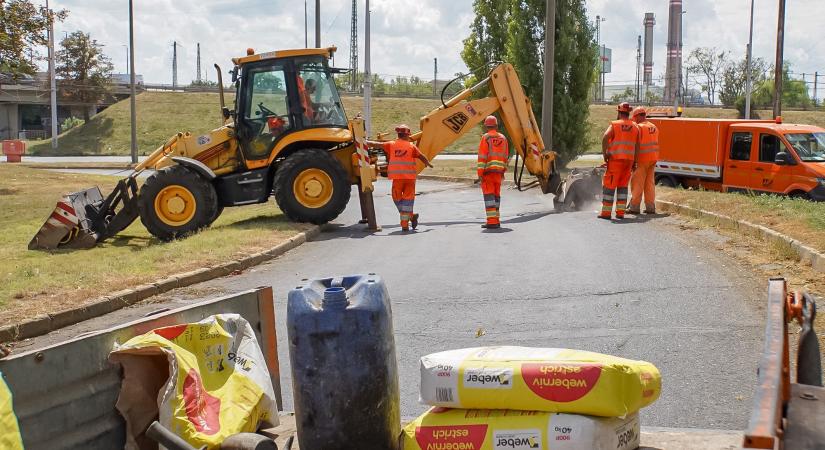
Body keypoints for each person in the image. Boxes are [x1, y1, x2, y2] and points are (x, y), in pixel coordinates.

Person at [367, 124, 433, 231]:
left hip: (399, 178)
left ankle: (405, 225)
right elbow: (421, 156)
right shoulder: (411, 146)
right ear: (407, 135)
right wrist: (427, 163)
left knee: (397, 198)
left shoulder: (392, 144)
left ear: (398, 134)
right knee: (407, 200)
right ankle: (411, 216)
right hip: (410, 179)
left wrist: (363, 142)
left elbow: (376, 144)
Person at [599, 102, 640, 220]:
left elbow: (605, 137)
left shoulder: (615, 125)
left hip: (615, 161)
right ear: (628, 113)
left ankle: (606, 213)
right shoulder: (635, 126)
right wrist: (635, 162)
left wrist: (605, 154)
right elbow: (637, 146)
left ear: (619, 112)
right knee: (622, 187)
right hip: (629, 162)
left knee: (610, 186)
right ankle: (620, 213)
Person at [477, 115, 509, 229]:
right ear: (496, 125)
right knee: (496, 197)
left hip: (488, 173)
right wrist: (503, 171)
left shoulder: (486, 138)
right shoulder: (503, 138)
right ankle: (496, 219)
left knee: (489, 197)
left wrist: (480, 173)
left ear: (486, 126)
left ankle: (492, 222)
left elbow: (482, 157)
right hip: (498, 173)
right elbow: (505, 156)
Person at [627, 107, 659, 214]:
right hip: (653, 158)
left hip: (642, 159)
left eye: (634, 118)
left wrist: (633, 160)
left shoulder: (638, 127)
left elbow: (635, 144)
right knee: (649, 184)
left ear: (636, 116)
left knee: (637, 183)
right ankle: (650, 207)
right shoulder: (653, 127)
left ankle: (634, 207)